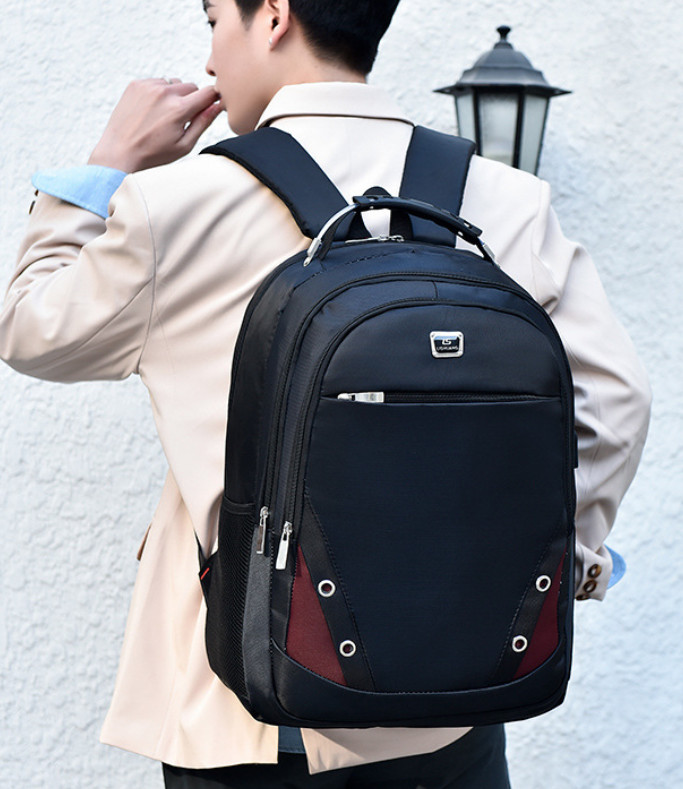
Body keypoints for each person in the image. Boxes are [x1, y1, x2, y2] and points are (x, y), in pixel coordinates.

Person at [0, 0, 651, 786]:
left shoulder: (174, 203)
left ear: (273, 15)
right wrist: (551, 565)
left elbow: (31, 329)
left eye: (214, 20)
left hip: (251, 715)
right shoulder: (503, 196)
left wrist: (110, 162)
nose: (209, 58)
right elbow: (613, 398)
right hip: (453, 706)